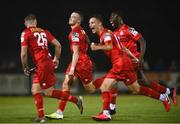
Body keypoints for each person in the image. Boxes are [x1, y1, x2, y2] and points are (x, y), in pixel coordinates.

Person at [89, 15, 171, 121]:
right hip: (125, 63)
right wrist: (134, 58)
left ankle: (106, 113)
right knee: (136, 88)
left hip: (120, 64)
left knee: (104, 86)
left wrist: (97, 47)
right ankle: (163, 97)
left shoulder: (105, 34)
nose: (90, 25)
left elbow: (109, 46)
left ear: (99, 23)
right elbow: (122, 48)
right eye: (90, 23)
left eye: (92, 22)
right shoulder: (109, 33)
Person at [20, 14, 82, 123]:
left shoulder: (26, 33)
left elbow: (23, 54)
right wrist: (56, 59)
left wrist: (25, 67)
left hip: (42, 65)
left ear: (26, 23)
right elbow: (58, 45)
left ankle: (75, 100)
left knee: (49, 92)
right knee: (35, 90)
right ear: (35, 22)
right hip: (44, 64)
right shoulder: (45, 32)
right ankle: (41, 116)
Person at [109, 11, 177, 107]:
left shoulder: (127, 29)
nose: (110, 19)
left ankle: (111, 109)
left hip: (133, 61)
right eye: (110, 18)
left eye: (113, 17)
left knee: (112, 80)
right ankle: (168, 92)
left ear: (119, 18)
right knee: (143, 82)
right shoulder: (115, 33)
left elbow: (142, 41)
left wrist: (140, 58)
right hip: (125, 62)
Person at [45, 11, 104, 120]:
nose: (71, 18)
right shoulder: (81, 29)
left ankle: (107, 79)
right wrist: (89, 45)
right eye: (71, 16)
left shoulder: (74, 33)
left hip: (81, 63)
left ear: (78, 21)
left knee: (90, 89)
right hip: (77, 61)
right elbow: (86, 39)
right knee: (65, 84)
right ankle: (59, 112)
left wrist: (72, 69)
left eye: (74, 17)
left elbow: (76, 52)